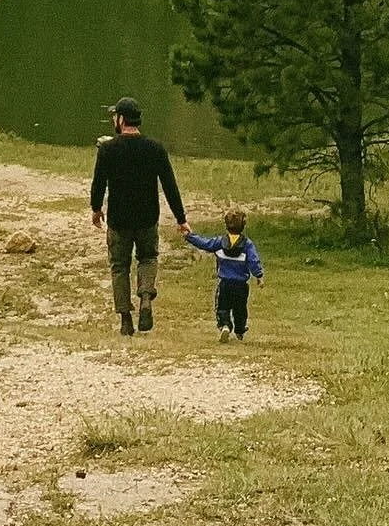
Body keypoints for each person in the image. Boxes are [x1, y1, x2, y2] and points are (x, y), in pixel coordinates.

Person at [90, 97, 187, 337]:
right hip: (147, 219)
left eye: (115, 116)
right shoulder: (155, 148)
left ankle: (125, 318)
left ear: (122, 119)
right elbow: (170, 185)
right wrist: (181, 218)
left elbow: (98, 183)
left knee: (119, 266)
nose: (114, 120)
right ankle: (145, 297)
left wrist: (96, 208)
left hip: (119, 220)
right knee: (148, 258)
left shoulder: (108, 150)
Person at [181, 207, 264, 342]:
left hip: (225, 283)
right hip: (241, 285)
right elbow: (253, 260)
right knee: (240, 309)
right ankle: (240, 329)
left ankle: (225, 325)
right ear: (243, 225)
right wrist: (259, 275)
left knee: (222, 307)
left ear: (226, 225)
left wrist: (189, 236)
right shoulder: (247, 244)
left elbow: (205, 243)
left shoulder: (220, 242)